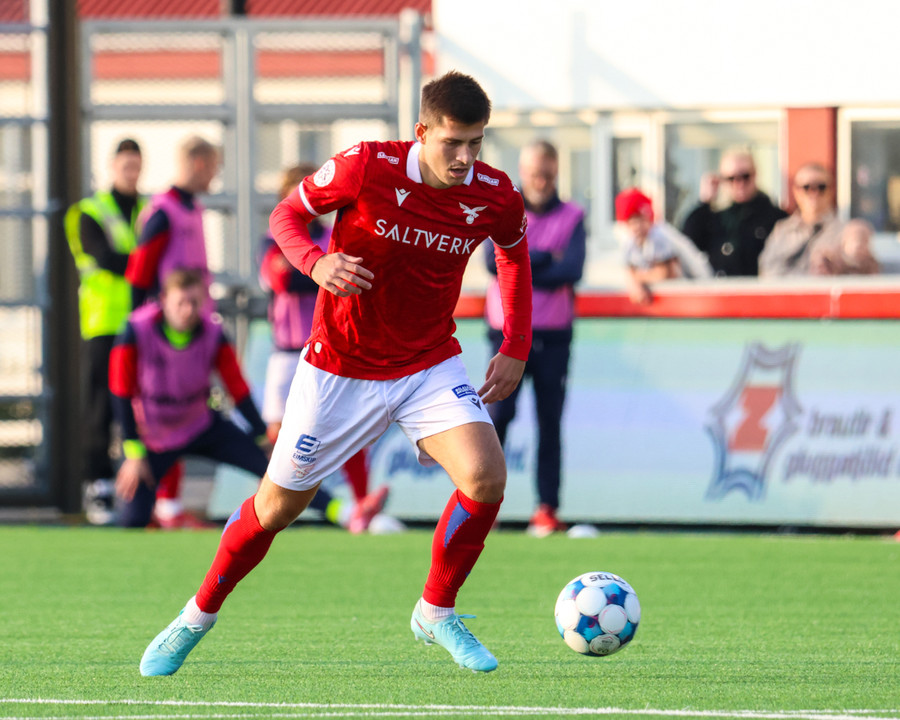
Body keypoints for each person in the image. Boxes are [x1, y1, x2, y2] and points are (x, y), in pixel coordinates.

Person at [138, 70, 532, 677]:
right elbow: (285, 217)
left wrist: (516, 344)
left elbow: (512, 253)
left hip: (428, 361)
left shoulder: (495, 193)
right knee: (276, 508)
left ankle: (436, 610)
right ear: (421, 132)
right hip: (339, 367)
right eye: (452, 142)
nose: (464, 158)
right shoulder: (367, 167)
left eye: (475, 143)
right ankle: (195, 616)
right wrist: (316, 264)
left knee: (485, 477)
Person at [258, 164, 390, 533]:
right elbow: (280, 279)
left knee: (345, 426)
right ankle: (267, 504)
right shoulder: (273, 238)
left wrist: (313, 271)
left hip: (328, 351)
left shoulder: (335, 234)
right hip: (286, 352)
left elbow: (353, 277)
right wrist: (322, 271)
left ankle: (361, 505)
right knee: (277, 434)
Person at [109, 268, 271, 528]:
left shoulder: (214, 332)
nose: (188, 310)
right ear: (164, 300)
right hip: (155, 435)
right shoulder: (134, 330)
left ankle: (339, 511)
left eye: (194, 303)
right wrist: (134, 452)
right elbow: (120, 392)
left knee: (277, 474)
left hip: (200, 426)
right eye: (180, 303)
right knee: (132, 519)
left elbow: (238, 389)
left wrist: (262, 436)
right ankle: (159, 513)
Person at [483, 139, 584, 537]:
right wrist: (544, 257)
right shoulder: (503, 208)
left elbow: (571, 269)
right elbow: (491, 263)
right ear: (522, 172)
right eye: (533, 173)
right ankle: (483, 505)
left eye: (546, 173)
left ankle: (547, 508)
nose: (540, 180)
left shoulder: (573, 215)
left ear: (556, 171)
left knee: (549, 422)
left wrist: (520, 259)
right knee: (497, 420)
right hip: (506, 334)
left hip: (554, 334)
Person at [64, 138, 146, 525]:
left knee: (140, 404)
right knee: (100, 406)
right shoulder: (87, 212)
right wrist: (145, 262)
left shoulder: (148, 209)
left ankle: (143, 490)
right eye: (126, 166)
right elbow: (105, 258)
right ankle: (98, 486)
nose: (132, 173)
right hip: (103, 323)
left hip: (142, 323)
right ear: (113, 167)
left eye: (137, 166)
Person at [126, 135, 220, 309]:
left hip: (194, 316)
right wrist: (136, 320)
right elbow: (140, 272)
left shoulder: (195, 209)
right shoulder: (163, 211)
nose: (215, 175)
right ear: (200, 164)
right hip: (169, 317)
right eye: (214, 167)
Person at [681, 150, 787, 276]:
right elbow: (687, 244)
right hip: (720, 286)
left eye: (745, 176)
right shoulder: (714, 217)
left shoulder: (774, 217)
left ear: (755, 175)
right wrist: (705, 202)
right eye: (731, 179)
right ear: (722, 181)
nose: (739, 183)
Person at [759, 163, 844, 277]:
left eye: (821, 187)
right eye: (807, 187)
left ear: (831, 190)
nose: (814, 193)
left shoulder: (845, 232)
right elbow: (766, 270)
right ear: (796, 191)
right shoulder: (782, 230)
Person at [616, 188, 682, 305]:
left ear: (649, 218)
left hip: (694, 288)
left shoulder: (659, 235)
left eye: (641, 220)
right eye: (632, 222)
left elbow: (663, 274)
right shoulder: (630, 241)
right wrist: (635, 283)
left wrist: (636, 279)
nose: (637, 226)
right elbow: (628, 270)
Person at [810, 218, 880, 276]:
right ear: (844, 242)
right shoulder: (828, 261)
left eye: (863, 240)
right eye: (854, 239)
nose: (858, 245)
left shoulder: (871, 265)